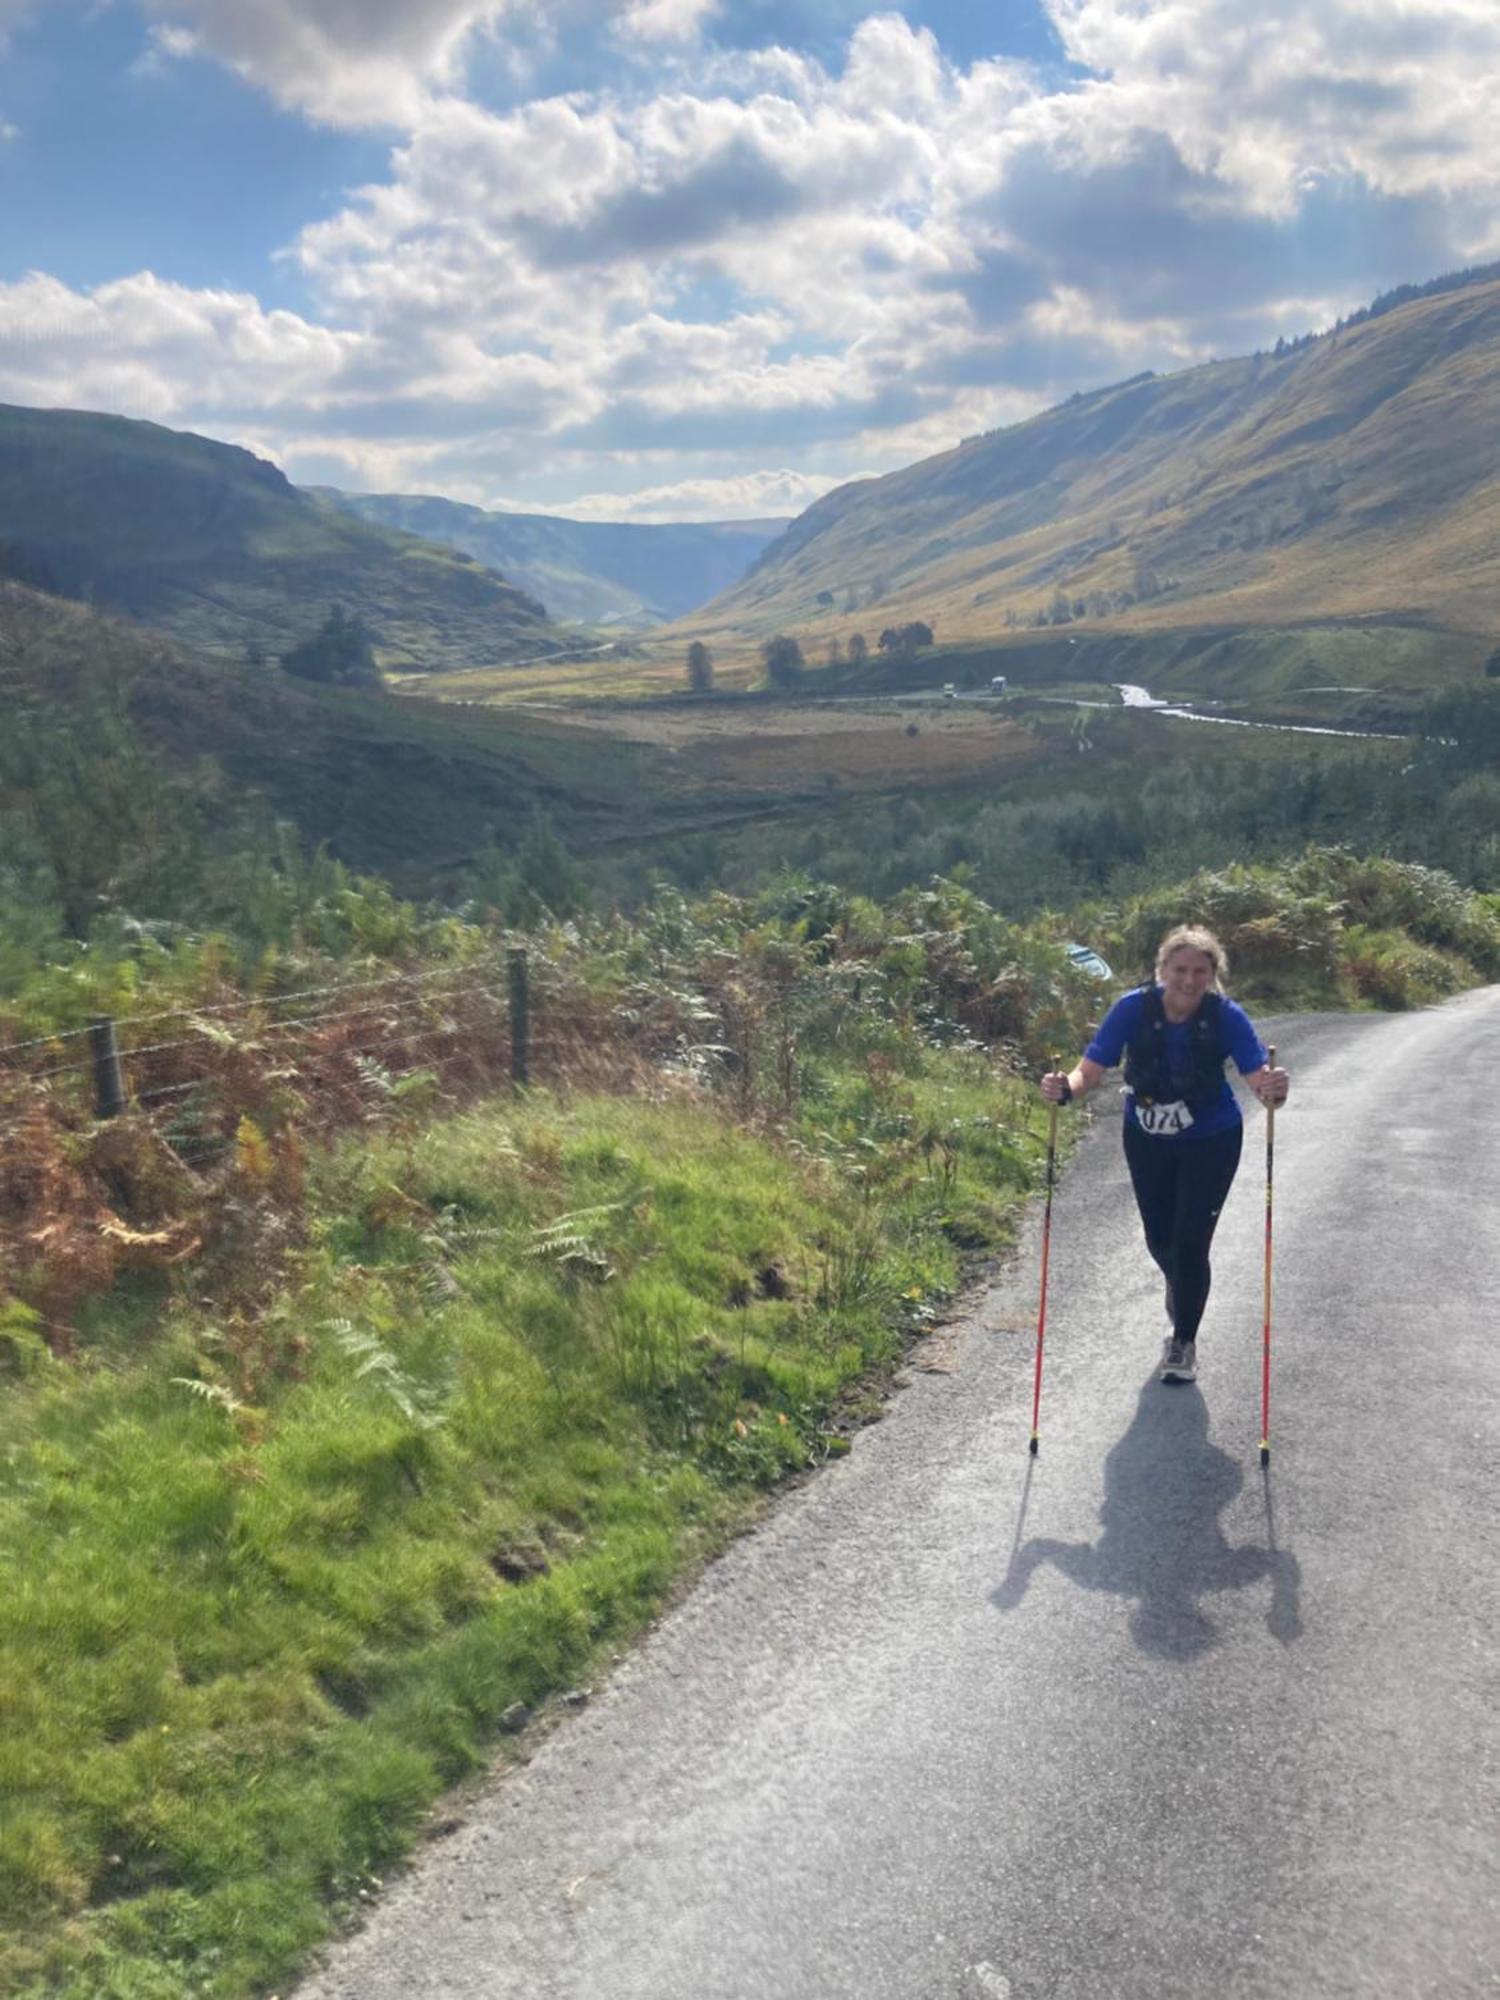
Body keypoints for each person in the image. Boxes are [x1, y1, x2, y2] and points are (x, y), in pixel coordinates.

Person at [1040, 926, 1289, 1384]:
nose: (1189, 980)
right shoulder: (1133, 1008)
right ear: (1162, 970)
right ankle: (1182, 1284)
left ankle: (1184, 1341)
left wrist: (1275, 1090)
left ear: (1213, 974)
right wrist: (1064, 1090)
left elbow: (1259, 1081)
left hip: (1212, 1138)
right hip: (1147, 1136)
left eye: (1200, 971)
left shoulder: (1226, 1016)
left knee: (1191, 1242)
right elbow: (1091, 1069)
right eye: (1180, 970)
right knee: (1160, 1239)